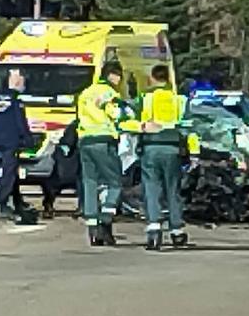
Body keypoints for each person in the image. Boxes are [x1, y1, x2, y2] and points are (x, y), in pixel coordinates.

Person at [136, 64, 190, 250]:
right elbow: (187, 127)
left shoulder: (147, 98)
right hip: (172, 148)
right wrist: (193, 152)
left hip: (151, 147)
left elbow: (142, 123)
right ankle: (177, 231)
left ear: (152, 78)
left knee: (152, 189)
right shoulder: (178, 100)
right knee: (173, 190)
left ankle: (154, 231)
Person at [76, 61, 125, 246]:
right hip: (103, 140)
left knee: (90, 182)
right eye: (119, 76)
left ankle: (92, 227)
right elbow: (117, 114)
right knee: (115, 182)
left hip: (85, 140)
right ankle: (107, 214)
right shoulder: (109, 93)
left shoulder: (85, 92)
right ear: (112, 75)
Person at [0, 69, 37, 224]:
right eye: (21, 80)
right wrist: (29, 140)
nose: (23, 83)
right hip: (11, 141)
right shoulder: (16, 101)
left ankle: (17, 202)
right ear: (14, 82)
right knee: (9, 172)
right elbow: (20, 123)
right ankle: (1, 201)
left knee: (11, 171)